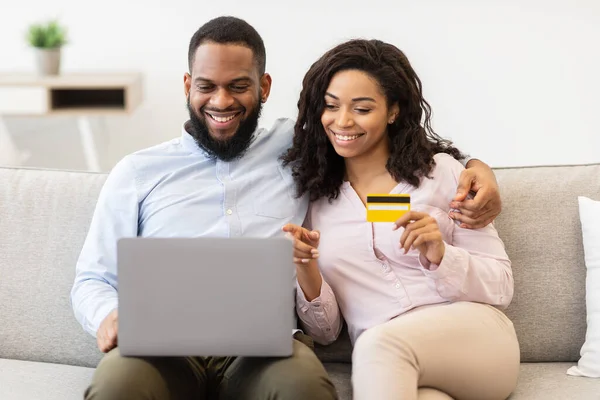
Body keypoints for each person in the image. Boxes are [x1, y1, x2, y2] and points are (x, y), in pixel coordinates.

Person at [70, 16, 503, 400]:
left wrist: (477, 167)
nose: (221, 102)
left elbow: (390, 156)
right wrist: (108, 315)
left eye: (238, 86)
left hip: (264, 346)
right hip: (161, 345)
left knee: (303, 386)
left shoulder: (298, 151)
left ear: (264, 87)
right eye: (207, 86)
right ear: (188, 86)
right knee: (116, 386)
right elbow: (92, 277)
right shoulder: (137, 172)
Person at [281, 39, 520, 400]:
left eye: (362, 109)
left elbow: (502, 285)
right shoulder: (316, 202)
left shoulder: (442, 174)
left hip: (475, 339)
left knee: (379, 344)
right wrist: (306, 268)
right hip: (390, 365)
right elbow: (327, 332)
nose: (342, 121)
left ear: (393, 111)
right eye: (330, 106)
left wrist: (441, 254)